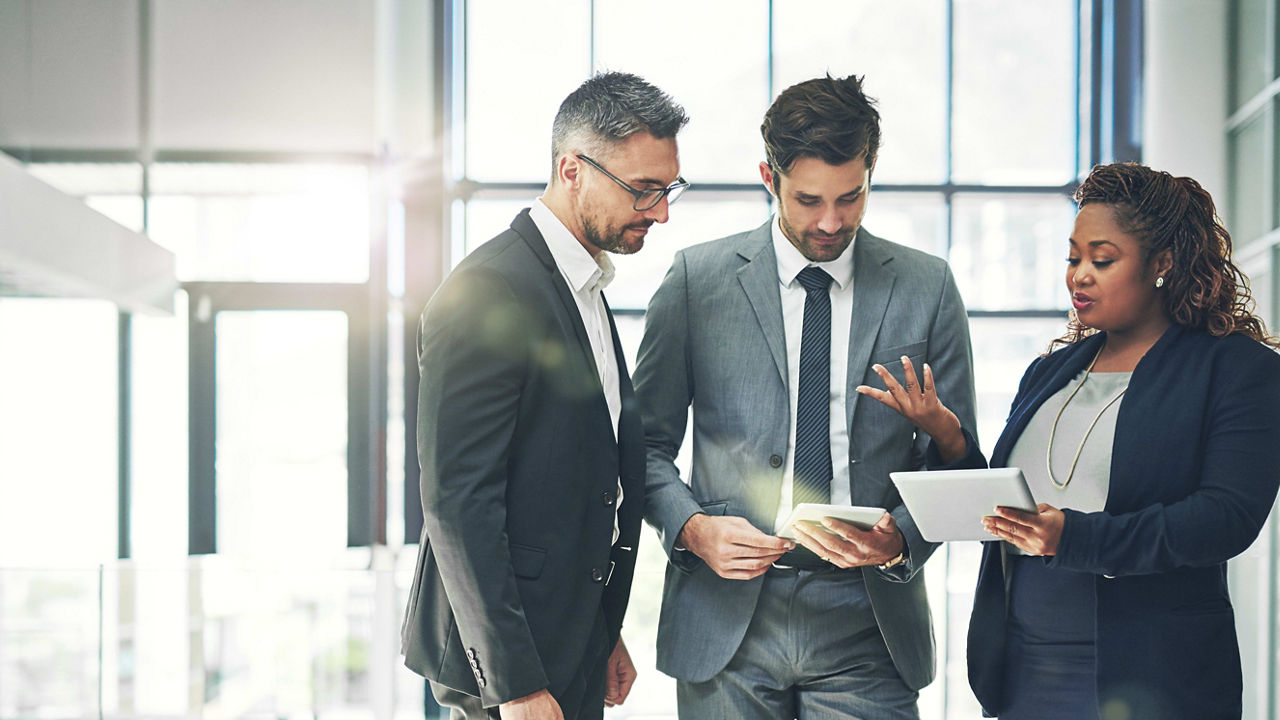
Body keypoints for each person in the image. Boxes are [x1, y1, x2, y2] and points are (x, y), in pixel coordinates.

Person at [857, 162, 1280, 719]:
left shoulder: (1237, 370)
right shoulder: (1051, 371)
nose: (1079, 275)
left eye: (1102, 260)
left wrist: (1071, 537)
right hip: (1025, 674)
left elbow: (1225, 519)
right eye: (1073, 257)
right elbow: (1006, 507)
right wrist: (948, 435)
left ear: (1162, 264)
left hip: (1155, 680)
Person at [633, 73, 977, 719]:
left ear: (871, 172)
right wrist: (692, 527)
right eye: (808, 199)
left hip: (869, 620)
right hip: (726, 619)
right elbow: (644, 447)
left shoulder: (926, 288)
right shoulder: (695, 282)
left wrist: (901, 538)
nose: (830, 221)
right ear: (770, 177)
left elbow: (957, 461)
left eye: (851, 197)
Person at [401, 71, 690, 720]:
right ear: (572, 170)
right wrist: (515, 686)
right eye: (643, 191)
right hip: (508, 669)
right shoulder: (487, 291)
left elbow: (576, 477)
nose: (662, 212)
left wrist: (600, 627)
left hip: (570, 644)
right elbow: (457, 501)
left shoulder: (584, 287)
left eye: (668, 189)